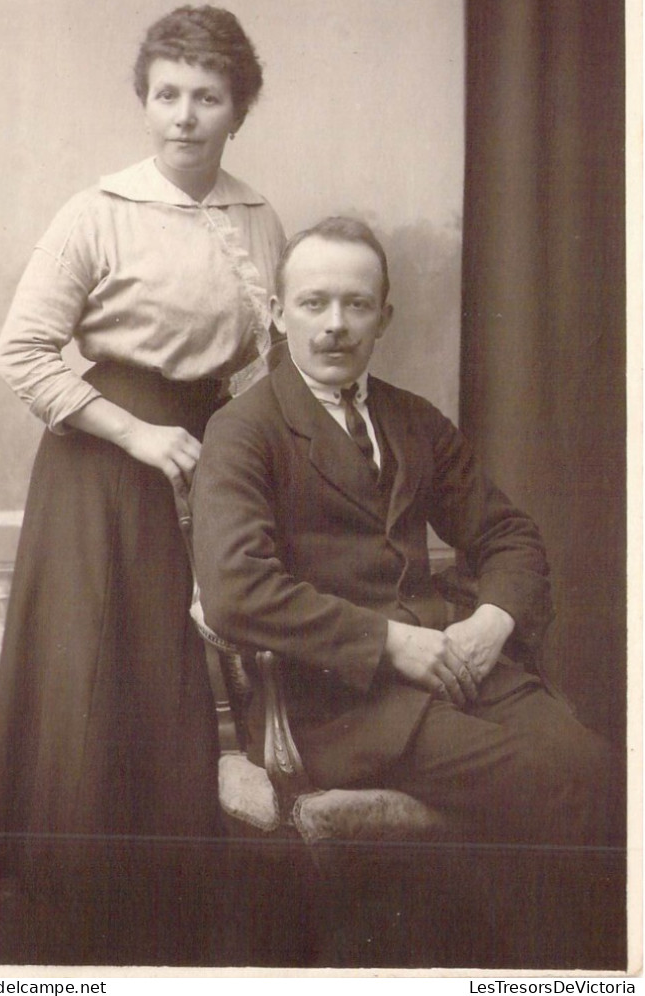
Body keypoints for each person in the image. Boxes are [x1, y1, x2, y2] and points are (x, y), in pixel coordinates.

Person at [191, 216, 624, 966]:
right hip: (340, 705)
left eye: (357, 305)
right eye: (315, 303)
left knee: (602, 771)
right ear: (277, 311)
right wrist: (391, 643)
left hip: (460, 665)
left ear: (384, 316)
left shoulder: (411, 419)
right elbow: (234, 591)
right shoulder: (244, 430)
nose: (335, 325)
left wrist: (491, 624)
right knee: (548, 788)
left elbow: (511, 537)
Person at [0, 5, 285, 962]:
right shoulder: (98, 210)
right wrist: (138, 435)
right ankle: (82, 906)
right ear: (144, 101)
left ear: (239, 108)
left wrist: (234, 451)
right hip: (102, 459)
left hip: (212, 448)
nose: (184, 115)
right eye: (166, 95)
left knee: (185, 658)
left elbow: (270, 358)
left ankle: (178, 894)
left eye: (207, 96)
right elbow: (22, 354)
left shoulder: (257, 217)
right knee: (103, 659)